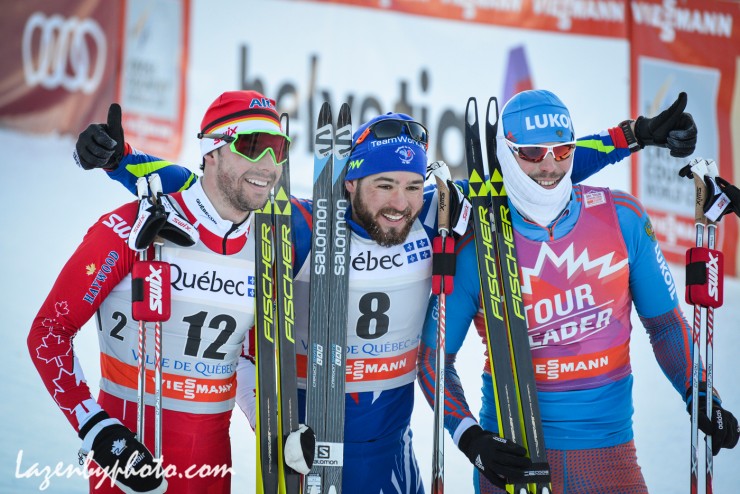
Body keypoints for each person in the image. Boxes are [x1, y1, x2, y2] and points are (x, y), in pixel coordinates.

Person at [71, 89, 697, 492]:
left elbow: (543, 175)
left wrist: (632, 136)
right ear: (349, 185)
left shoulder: (435, 215)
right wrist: (121, 159)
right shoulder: (308, 223)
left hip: (395, 443)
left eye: (409, 185)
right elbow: (205, 190)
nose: (399, 203)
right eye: (382, 187)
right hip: (312, 437)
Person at [416, 89, 739, 493]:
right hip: (513, 457)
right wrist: (470, 437)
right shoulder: (474, 239)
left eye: (563, 150)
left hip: (610, 456)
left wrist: (700, 392)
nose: (549, 166)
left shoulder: (621, 217)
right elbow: (432, 358)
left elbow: (666, 326)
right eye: (532, 153)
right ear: (504, 153)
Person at [28, 90, 304, 493]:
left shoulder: (267, 250)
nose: (268, 164)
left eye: (278, 149)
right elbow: (49, 330)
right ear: (212, 150)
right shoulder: (132, 228)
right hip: (131, 467)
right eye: (251, 146)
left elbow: (243, 357)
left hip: (211, 473)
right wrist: (96, 428)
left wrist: (273, 431)